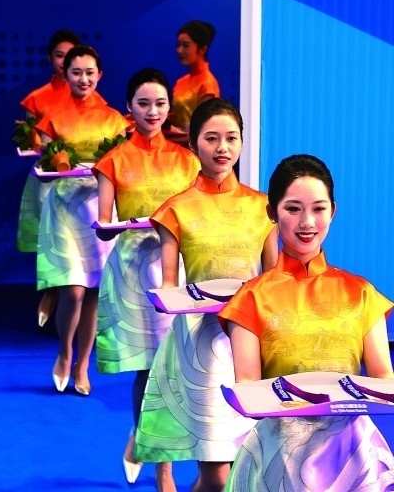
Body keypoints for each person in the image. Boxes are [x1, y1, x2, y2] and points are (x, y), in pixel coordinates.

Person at [219, 154, 394, 491]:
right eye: (293, 208)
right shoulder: (250, 298)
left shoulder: (362, 293)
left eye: (318, 208)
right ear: (272, 213)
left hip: (351, 451)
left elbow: (383, 378)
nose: (307, 222)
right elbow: (249, 389)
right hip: (278, 452)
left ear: (333, 211)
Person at [135, 98, 279, 492]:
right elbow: (169, 284)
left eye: (231, 138)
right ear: (194, 143)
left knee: (246, 470)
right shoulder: (175, 210)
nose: (222, 148)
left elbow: (273, 280)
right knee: (217, 474)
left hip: (251, 342)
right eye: (211, 138)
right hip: (202, 347)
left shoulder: (262, 208)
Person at [92, 67, 201, 484]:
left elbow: (197, 213)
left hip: (177, 268)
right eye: (143, 104)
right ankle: (154, 453)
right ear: (129, 108)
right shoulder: (113, 161)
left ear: (169, 108)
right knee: (149, 368)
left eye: (159, 104)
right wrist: (119, 225)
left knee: (172, 367)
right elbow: (105, 223)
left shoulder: (188, 160)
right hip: (133, 272)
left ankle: (152, 449)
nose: (152, 111)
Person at [35, 44, 128, 396]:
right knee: (72, 290)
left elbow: (121, 165)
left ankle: (83, 364)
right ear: (65, 74)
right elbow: (45, 161)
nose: (83, 79)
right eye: (76, 72)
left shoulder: (114, 119)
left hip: (99, 207)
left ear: (99, 75)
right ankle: (64, 351)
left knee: (92, 292)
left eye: (90, 72)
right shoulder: (52, 117)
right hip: (64, 209)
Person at [16, 29, 84, 326]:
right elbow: (31, 141)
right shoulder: (37, 99)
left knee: (75, 243)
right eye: (59, 56)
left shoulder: (89, 99)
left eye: (70, 56)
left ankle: (61, 299)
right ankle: (52, 293)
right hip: (48, 180)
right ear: (50, 58)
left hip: (80, 184)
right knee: (52, 241)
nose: (64, 62)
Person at [170, 20, 220, 133]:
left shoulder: (207, 84)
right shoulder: (180, 82)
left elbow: (203, 129)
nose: (179, 50)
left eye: (185, 46)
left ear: (203, 49)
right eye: (178, 45)